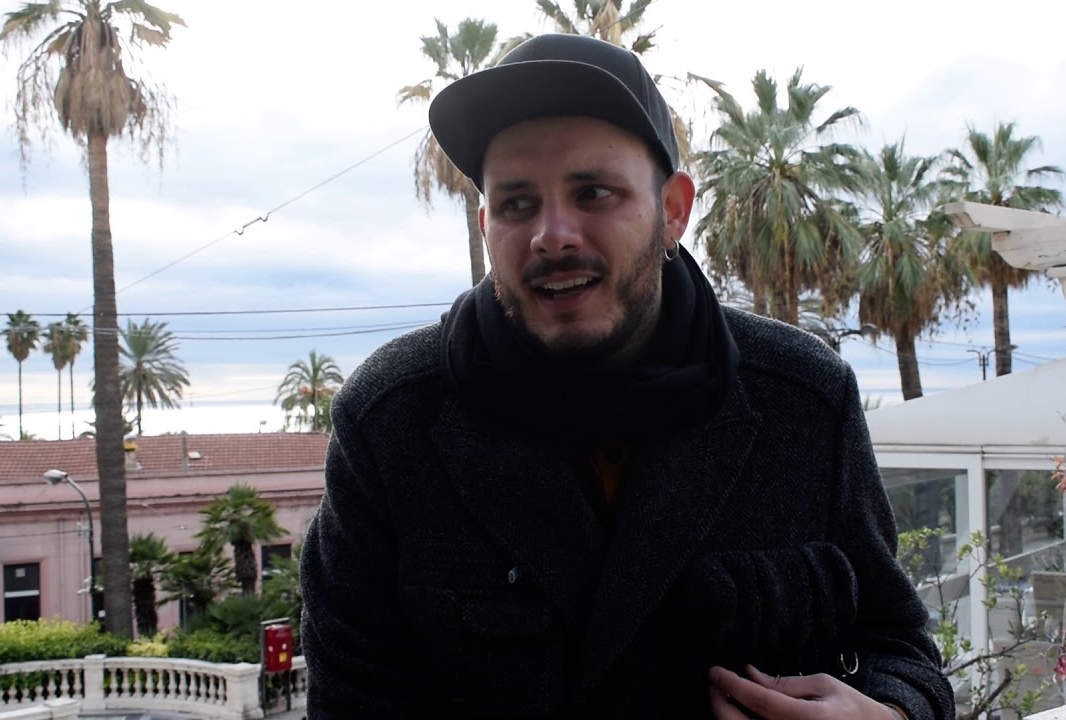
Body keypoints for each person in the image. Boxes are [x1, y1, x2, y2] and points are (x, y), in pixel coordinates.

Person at [299, 32, 954, 720]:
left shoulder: (805, 399)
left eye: (594, 192)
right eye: (518, 204)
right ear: (487, 224)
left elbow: (898, 645)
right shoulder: (389, 423)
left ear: (673, 210)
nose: (552, 235)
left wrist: (891, 711)